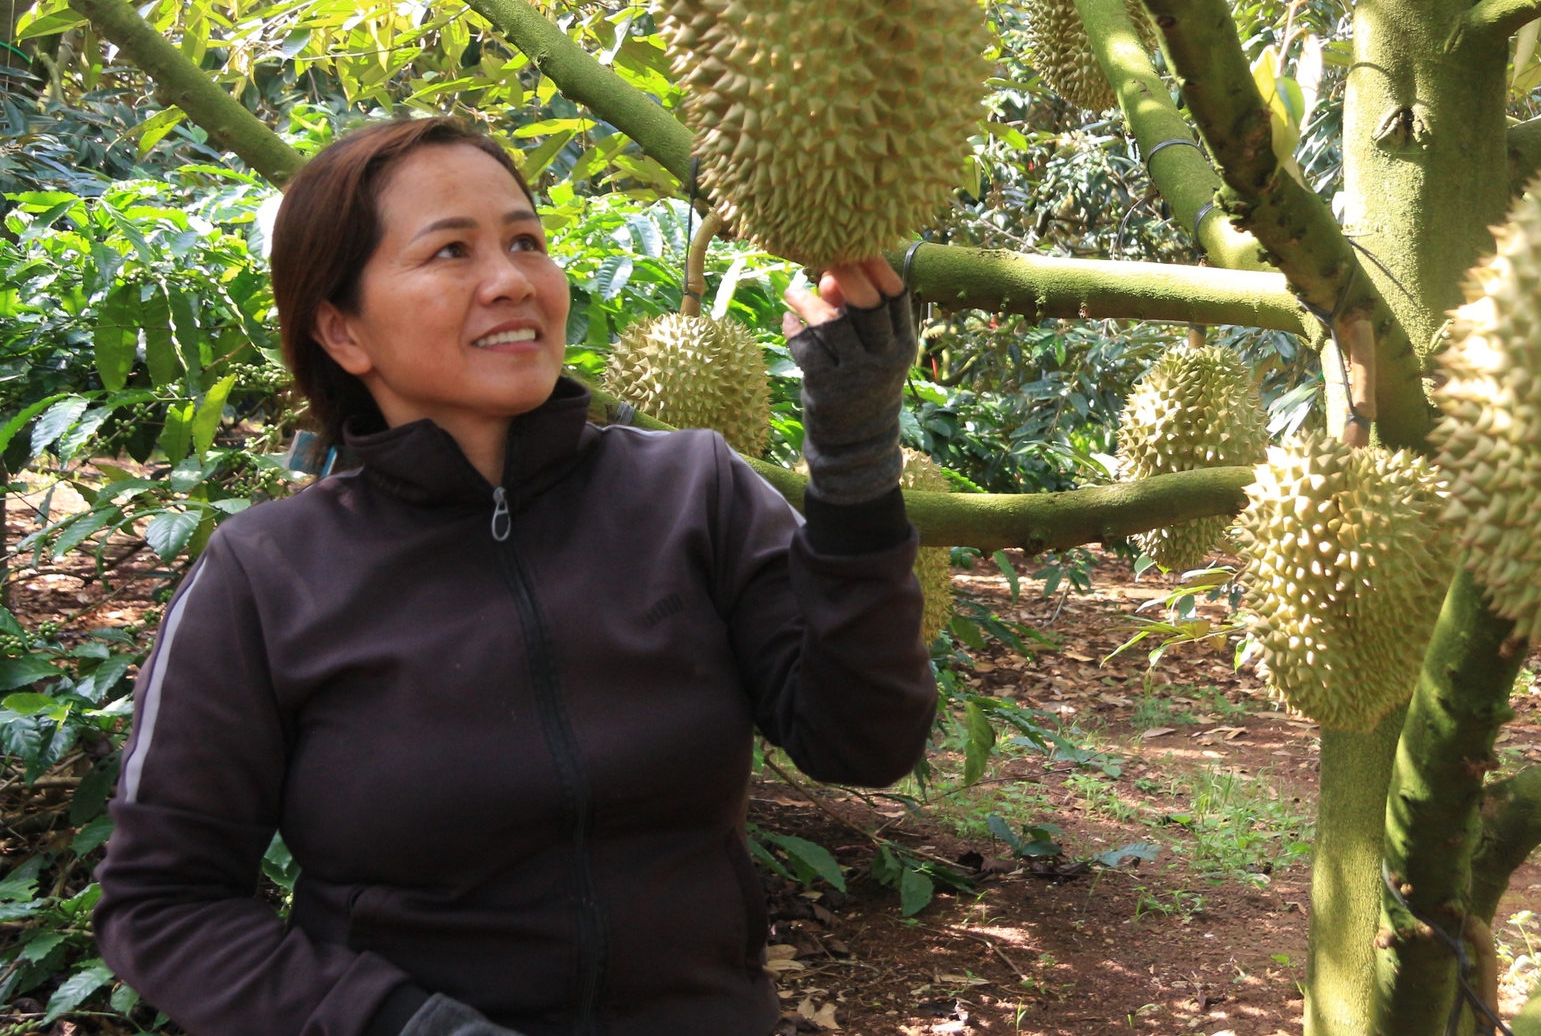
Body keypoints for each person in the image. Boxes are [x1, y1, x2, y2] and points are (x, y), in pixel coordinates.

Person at [92, 117, 936, 1036]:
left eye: (525, 241)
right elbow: (161, 902)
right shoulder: (266, 576)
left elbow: (864, 741)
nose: (511, 281)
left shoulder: (693, 493)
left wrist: (854, 456)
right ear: (342, 330)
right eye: (451, 251)